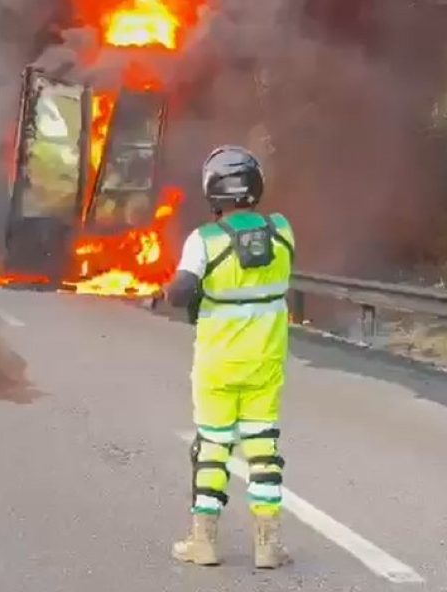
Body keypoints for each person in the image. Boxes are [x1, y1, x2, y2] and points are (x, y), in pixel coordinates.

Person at [162, 145, 295, 569]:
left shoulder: (204, 240)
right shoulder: (283, 232)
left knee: (213, 447)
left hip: (218, 366)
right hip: (266, 363)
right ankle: (268, 545)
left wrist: (173, 291)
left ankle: (203, 541)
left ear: (212, 190)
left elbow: (180, 292)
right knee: (263, 448)